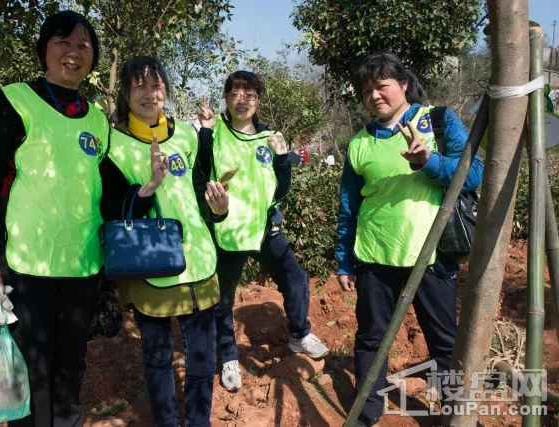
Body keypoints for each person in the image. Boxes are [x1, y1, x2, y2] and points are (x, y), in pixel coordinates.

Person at [0, 11, 115, 426]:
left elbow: (104, 190)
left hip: (82, 266)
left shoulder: (98, 118)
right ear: (44, 50)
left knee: (71, 366)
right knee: (31, 371)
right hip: (25, 265)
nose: (74, 53)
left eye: (84, 46)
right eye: (63, 42)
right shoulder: (14, 100)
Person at [335, 52, 484, 426]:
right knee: (371, 338)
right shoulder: (358, 144)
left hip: (430, 256)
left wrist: (427, 161)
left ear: (402, 84)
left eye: (381, 85)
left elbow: (474, 175)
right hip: (375, 255)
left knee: (444, 343)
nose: (374, 95)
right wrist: (343, 259)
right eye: (366, 90)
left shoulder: (437, 120)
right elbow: (349, 207)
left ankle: (458, 415)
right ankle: (367, 412)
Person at [102, 56, 229, 427]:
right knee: (158, 358)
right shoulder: (114, 145)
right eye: (139, 85)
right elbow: (112, 210)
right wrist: (149, 188)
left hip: (199, 259)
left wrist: (218, 210)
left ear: (166, 92)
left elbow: (202, 189)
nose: (149, 93)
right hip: (149, 264)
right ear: (125, 93)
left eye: (156, 85)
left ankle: (198, 421)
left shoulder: (187, 136)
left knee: (203, 358)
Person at [198, 70, 329, 392]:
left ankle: (299, 334)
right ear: (226, 99)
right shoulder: (214, 133)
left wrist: (283, 157)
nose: (242, 101)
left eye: (250, 94)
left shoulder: (269, 137)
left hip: (265, 227)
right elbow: (200, 174)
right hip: (227, 228)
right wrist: (203, 134)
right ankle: (229, 356)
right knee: (223, 300)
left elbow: (280, 189)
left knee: (295, 280)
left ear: (258, 99)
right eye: (235, 94)